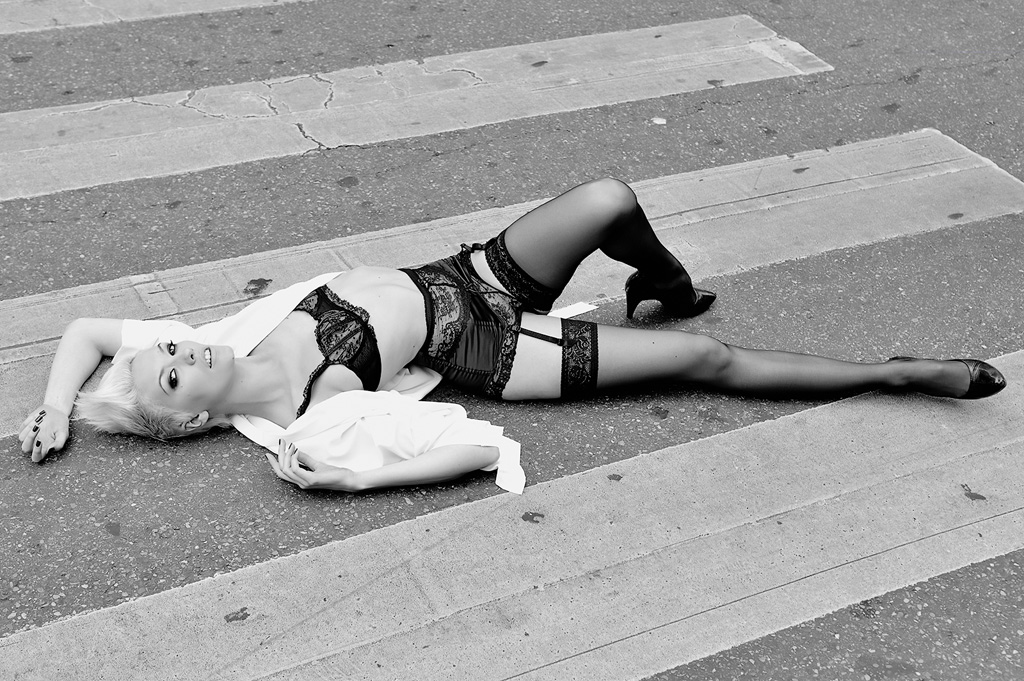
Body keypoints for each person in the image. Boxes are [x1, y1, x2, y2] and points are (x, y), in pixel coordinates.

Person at [18, 179, 1006, 494]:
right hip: (489, 354)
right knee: (707, 363)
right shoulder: (304, 430)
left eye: (168, 350)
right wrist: (353, 483)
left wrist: (59, 405)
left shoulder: (224, 331)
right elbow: (466, 448)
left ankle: (662, 283)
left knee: (608, 197)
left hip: (471, 276)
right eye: (173, 377)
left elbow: (87, 329)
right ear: (191, 423)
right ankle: (896, 374)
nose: (182, 353)